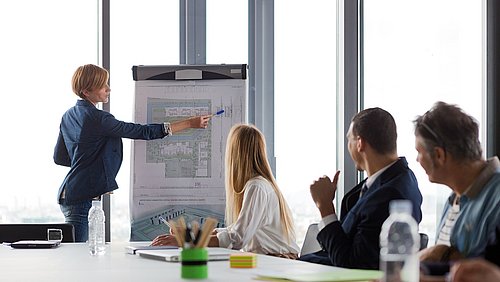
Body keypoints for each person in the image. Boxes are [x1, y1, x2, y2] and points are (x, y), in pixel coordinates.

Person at [54, 64, 211, 242]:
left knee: (78, 253)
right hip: (81, 198)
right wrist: (190, 123)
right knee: (77, 255)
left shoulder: (68, 115)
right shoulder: (99, 118)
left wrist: (90, 164)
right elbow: (142, 132)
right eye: (103, 85)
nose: (108, 89)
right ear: (86, 91)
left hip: (69, 192)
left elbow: (60, 158)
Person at [299, 107, 423, 269]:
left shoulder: (390, 194)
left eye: (349, 140)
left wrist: (325, 207)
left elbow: (351, 263)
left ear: (360, 143)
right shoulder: (398, 178)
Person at [151, 124, 300, 258]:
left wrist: (185, 241)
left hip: (277, 261)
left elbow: (237, 239)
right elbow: (234, 230)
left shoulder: (257, 187)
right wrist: (192, 234)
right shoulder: (259, 185)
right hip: (268, 260)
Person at [414, 101, 500, 262]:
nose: (417, 159)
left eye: (419, 152)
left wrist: (442, 254)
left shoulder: (496, 199)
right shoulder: (453, 199)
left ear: (439, 155)